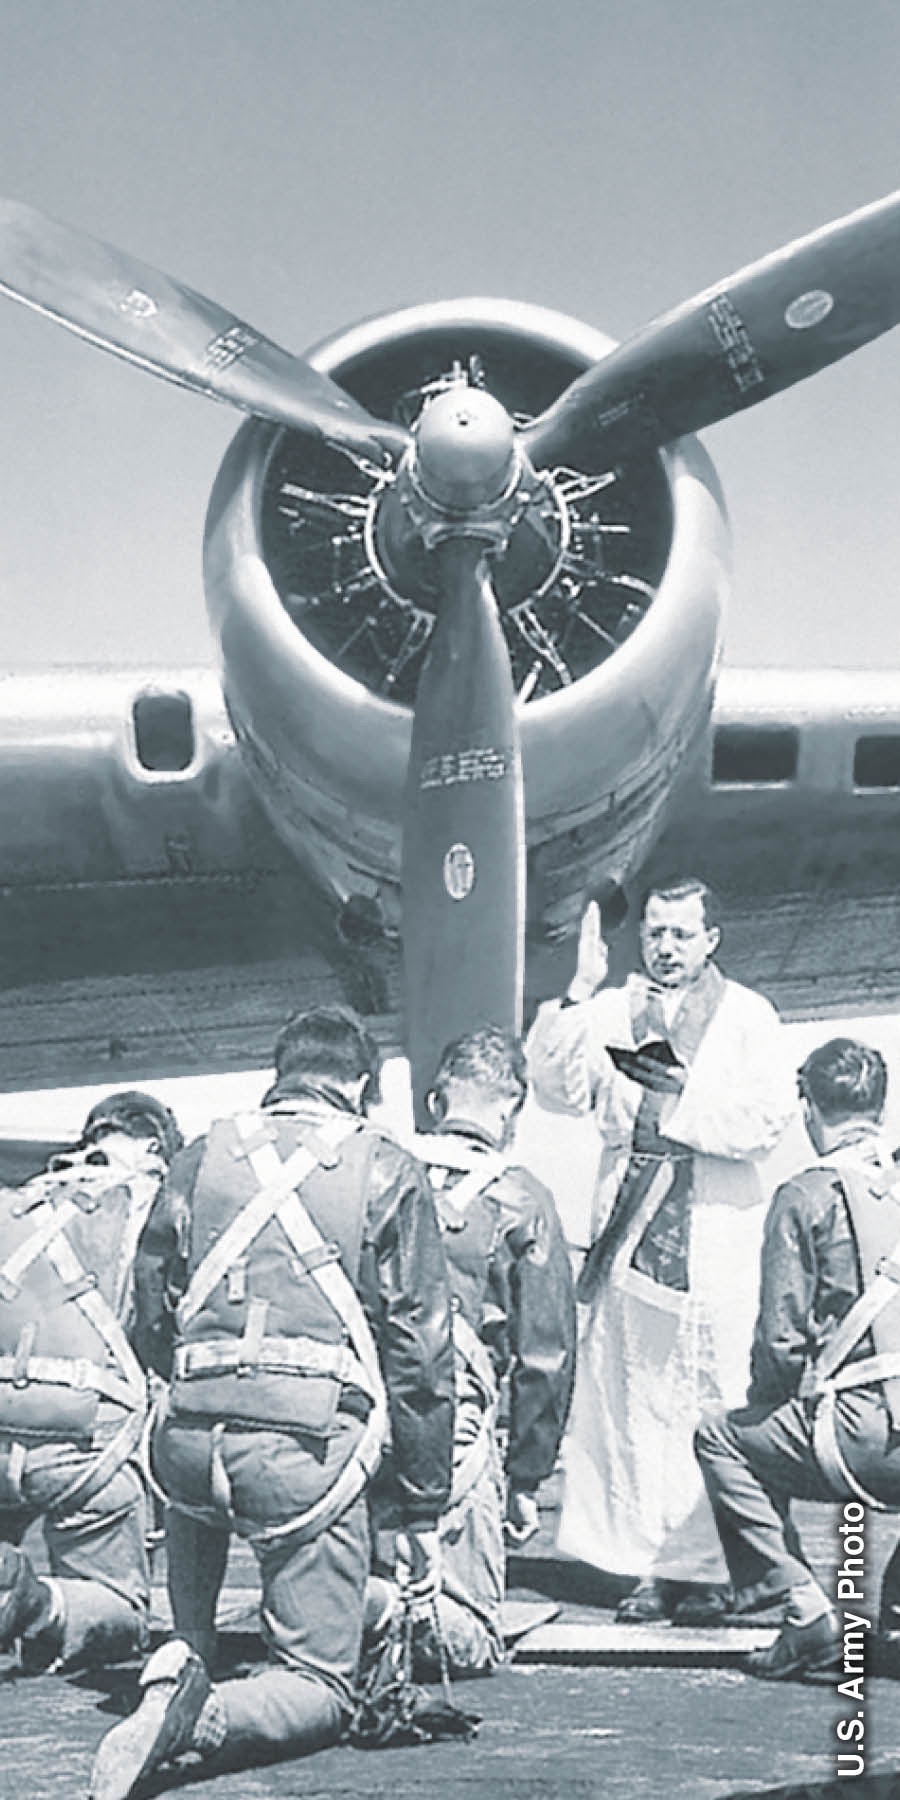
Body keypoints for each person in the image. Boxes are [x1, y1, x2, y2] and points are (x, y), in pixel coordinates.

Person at [90, 1004, 454, 1800]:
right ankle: (199, 1718)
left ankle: (184, 1653)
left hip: (186, 1450)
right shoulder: (386, 1164)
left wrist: (196, 1380)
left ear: (279, 1074)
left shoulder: (198, 1158)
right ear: (360, 1083)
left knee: (200, 1537)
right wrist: (421, 1508)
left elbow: (147, 1304)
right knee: (322, 1685)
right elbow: (420, 1353)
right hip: (304, 1455)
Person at [527, 877, 795, 1623]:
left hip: (713, 1225)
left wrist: (678, 1101)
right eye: (654, 933)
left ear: (711, 939)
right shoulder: (615, 1009)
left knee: (709, 1399)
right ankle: (644, 1566)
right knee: (633, 1400)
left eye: (680, 934)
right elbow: (554, 1088)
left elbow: (767, 1121)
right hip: (629, 1225)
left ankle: (711, 1569)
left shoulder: (748, 1017)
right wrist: (577, 991)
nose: (665, 947)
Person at [367, 1025, 576, 1676]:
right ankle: (390, 1615)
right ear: (510, 1109)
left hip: (361, 1419)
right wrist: (526, 1481)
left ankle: (350, 1604)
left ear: (436, 1103)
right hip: (454, 1425)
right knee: (472, 1646)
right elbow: (545, 1356)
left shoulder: (373, 1171)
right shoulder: (524, 1198)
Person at [695, 1036, 900, 1678]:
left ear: (809, 1108)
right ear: (881, 1109)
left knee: (721, 1439)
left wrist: (771, 1402)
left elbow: (780, 1343)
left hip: (860, 1436)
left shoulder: (804, 1195)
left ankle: (806, 1611)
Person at [0, 1089, 182, 1673]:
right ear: (155, 1147)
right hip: (84, 1441)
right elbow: (159, 1332)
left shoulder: (19, 1201)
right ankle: (34, 1603)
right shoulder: (150, 1200)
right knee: (121, 1611)